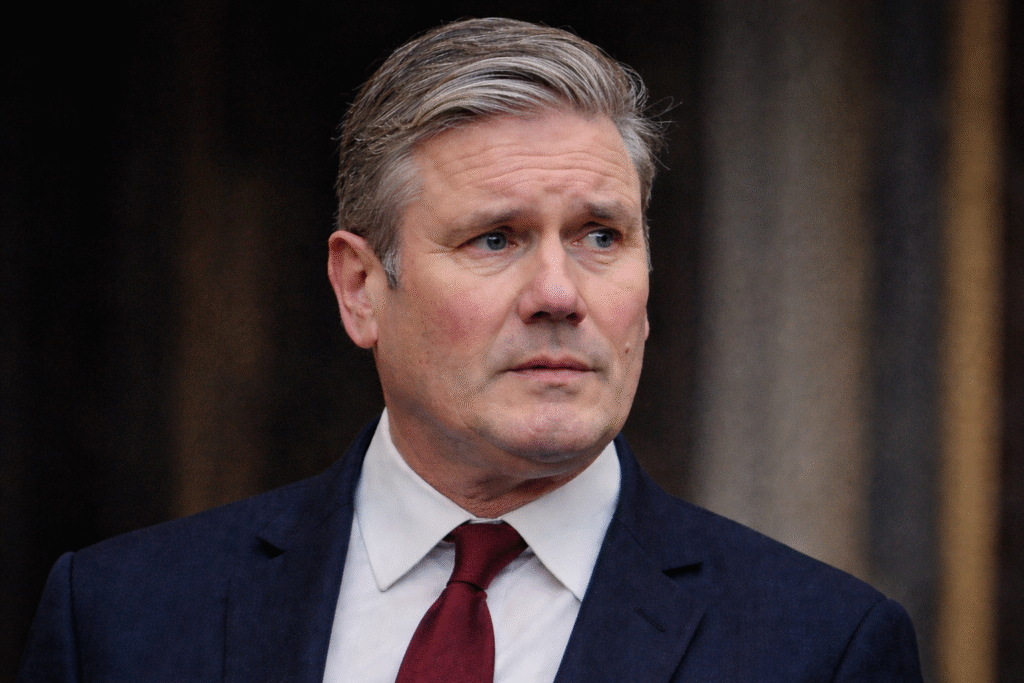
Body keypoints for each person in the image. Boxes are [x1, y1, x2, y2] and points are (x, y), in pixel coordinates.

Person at [18, 17, 923, 683]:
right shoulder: (119, 618)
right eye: (496, 238)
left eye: (602, 236)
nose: (561, 294)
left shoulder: (822, 647)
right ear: (361, 287)